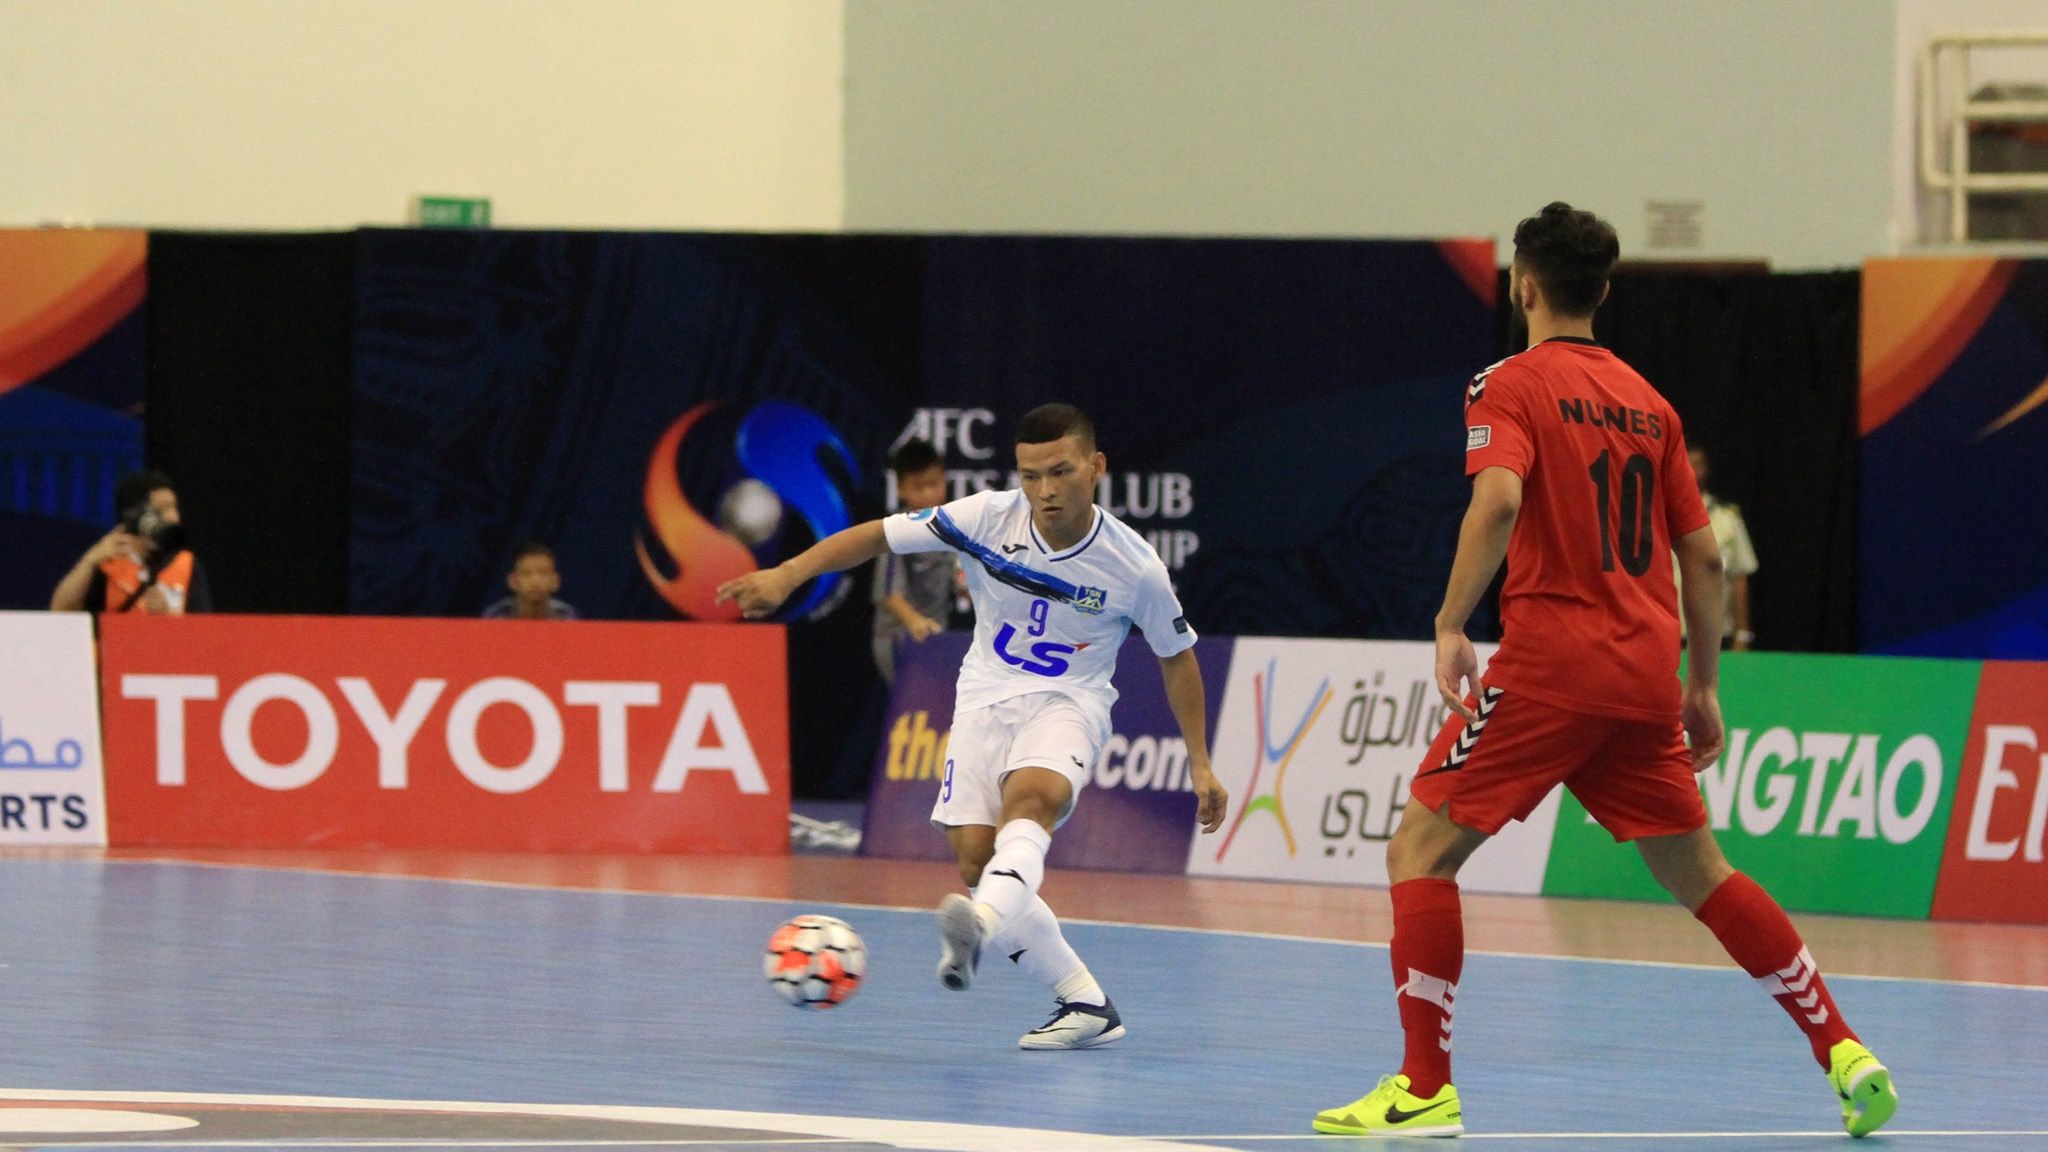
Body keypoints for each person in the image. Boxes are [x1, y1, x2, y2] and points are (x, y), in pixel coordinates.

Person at [1312, 204, 1896, 1139]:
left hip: (1548, 669)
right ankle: (1845, 1049)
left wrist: (1452, 619)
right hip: (1640, 678)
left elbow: (1497, 498)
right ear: (1607, 290)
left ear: (1524, 283)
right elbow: (1702, 558)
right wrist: (1703, 686)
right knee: (1706, 873)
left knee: (1419, 852)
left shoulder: (1506, 382)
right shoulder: (1652, 405)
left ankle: (1424, 1089)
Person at [719, 403, 1229, 1049]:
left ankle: (981, 926)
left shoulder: (1135, 567)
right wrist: (787, 573)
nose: (1045, 490)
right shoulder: (985, 518)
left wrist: (1201, 761)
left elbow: (1177, 657)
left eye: (1061, 472)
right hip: (984, 697)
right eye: (1031, 475)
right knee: (974, 859)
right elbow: (877, 535)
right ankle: (1086, 1004)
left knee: (1032, 802)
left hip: (1067, 702)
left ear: (1095, 468)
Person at [49, 469, 212, 616]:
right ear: (135, 518)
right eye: (162, 509)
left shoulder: (186, 565)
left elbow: (203, 633)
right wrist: (90, 561)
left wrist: (166, 618)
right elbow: (61, 611)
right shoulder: (108, 563)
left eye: (174, 508)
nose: (173, 518)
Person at [871, 439, 957, 683]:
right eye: (919, 487)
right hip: (898, 639)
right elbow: (888, 594)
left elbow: (958, 578)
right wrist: (914, 621)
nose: (929, 494)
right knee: (912, 710)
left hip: (937, 636)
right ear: (900, 489)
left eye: (934, 484)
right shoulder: (897, 531)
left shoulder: (950, 527)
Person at [1675, 445, 1759, 650]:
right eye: (1687, 464)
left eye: (1698, 465)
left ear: (1707, 469)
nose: (1692, 472)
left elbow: (1739, 577)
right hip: (1666, 632)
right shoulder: (1653, 516)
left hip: (1714, 634)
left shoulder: (1726, 517)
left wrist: (1743, 635)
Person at [482, 541, 580, 620]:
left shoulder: (567, 618)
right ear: (512, 581)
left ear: (555, 581)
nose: (535, 581)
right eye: (526, 573)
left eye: (543, 573)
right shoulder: (495, 617)